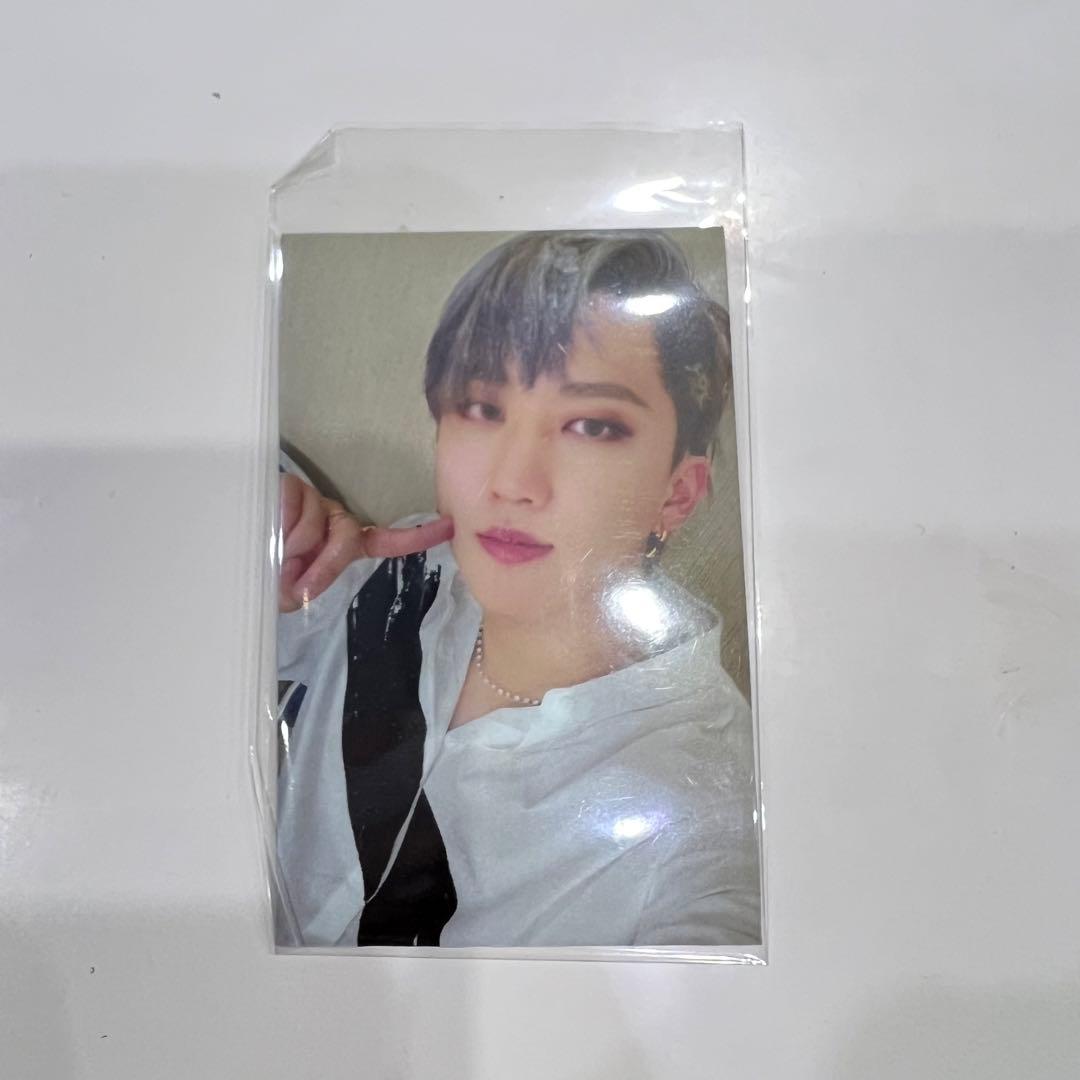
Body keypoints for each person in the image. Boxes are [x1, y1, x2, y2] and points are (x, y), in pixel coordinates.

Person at [276, 231, 761, 948]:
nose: (512, 482)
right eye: (482, 407)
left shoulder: (705, 825)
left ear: (677, 493)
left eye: (591, 425)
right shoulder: (396, 574)